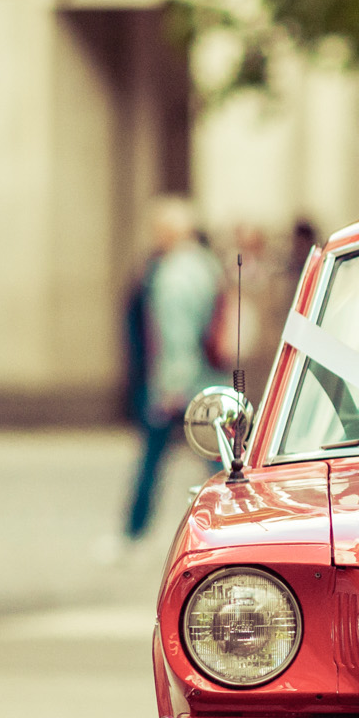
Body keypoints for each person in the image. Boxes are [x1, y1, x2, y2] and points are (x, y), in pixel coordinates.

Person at [122, 200, 223, 545]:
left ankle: (134, 532)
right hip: (209, 381)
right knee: (218, 459)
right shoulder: (208, 265)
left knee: (154, 461)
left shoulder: (174, 273)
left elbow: (177, 335)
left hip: (180, 384)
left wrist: (171, 387)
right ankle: (235, 524)